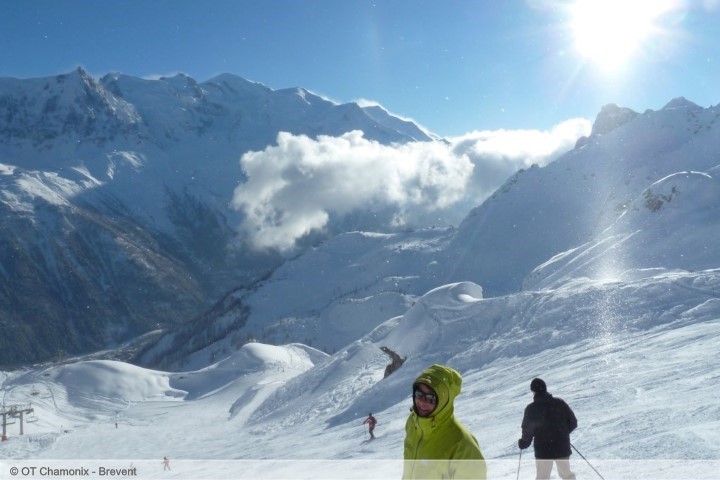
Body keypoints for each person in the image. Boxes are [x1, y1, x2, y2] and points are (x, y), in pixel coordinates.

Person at [402, 364, 486, 479]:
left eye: (430, 398)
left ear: (443, 401)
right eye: (419, 394)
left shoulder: (463, 445)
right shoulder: (413, 423)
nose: (422, 402)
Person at [518, 378, 578, 480]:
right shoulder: (559, 403)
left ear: (533, 391)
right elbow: (573, 422)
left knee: (543, 477)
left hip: (543, 450)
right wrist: (561, 433)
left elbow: (528, 430)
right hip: (561, 447)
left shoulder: (532, 409)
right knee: (566, 475)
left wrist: (524, 442)